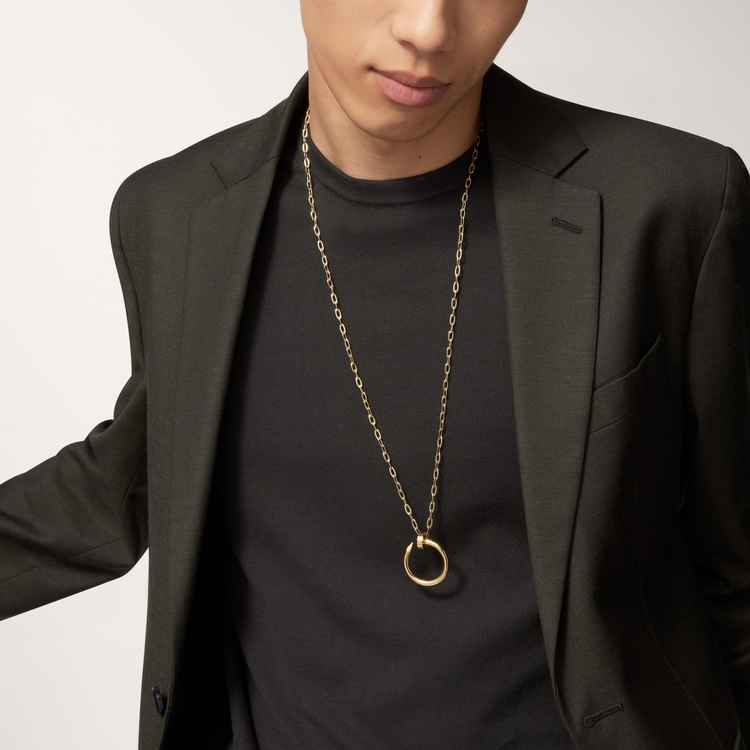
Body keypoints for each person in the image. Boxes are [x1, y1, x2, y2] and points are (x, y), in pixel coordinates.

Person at [1, 0, 749, 748]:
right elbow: (140, 472)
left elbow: (737, 572)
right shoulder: (173, 214)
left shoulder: (674, 203)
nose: (428, 30)